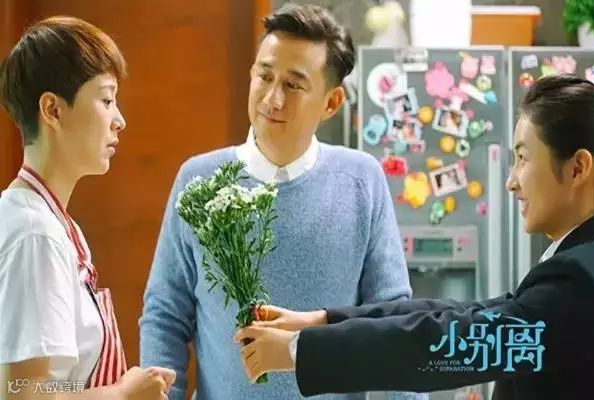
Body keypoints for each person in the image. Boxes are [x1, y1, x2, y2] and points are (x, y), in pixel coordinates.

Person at [234, 75, 594, 399]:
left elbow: (449, 343)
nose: (511, 181)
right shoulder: (593, 258)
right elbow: (460, 315)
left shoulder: (583, 278)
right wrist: (320, 322)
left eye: (522, 158)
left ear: (577, 168)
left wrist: (297, 351)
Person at [139, 3, 425, 400]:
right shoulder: (198, 180)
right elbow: (165, 315)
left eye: (293, 85)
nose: (272, 99)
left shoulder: (362, 181)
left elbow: (392, 320)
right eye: (265, 76)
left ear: (330, 103)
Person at [0, 16, 175, 399]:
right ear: (53, 110)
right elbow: (21, 392)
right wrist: (122, 394)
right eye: (106, 100)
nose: (119, 120)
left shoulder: (49, 222)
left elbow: (51, 386)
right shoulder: (36, 233)